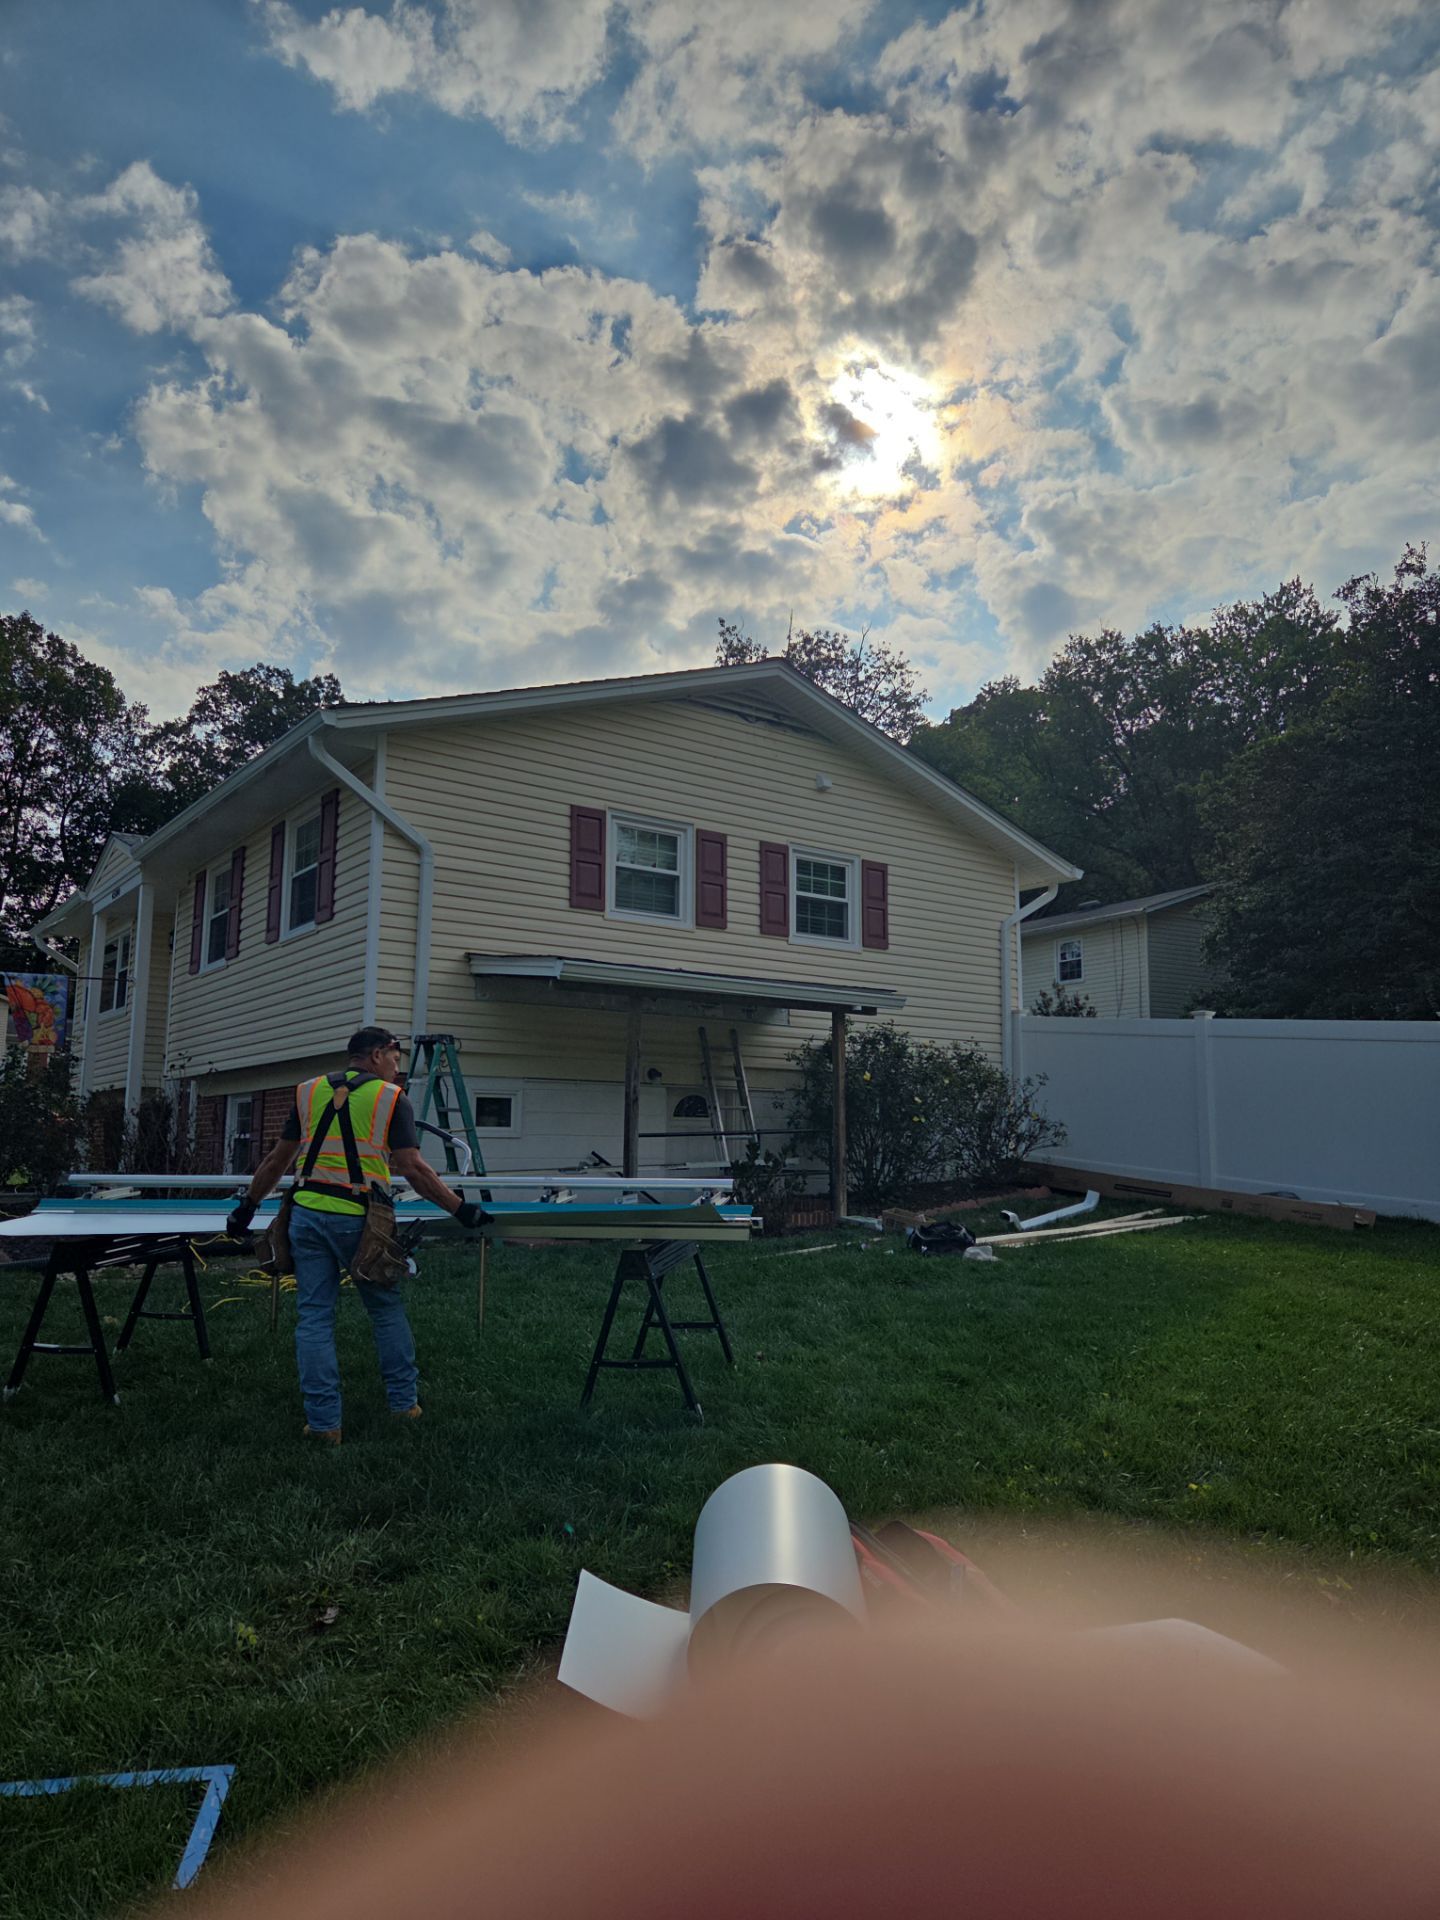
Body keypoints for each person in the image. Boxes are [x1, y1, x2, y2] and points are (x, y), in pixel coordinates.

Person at [226, 1025, 483, 1443]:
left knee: (314, 1316)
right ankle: (404, 1406)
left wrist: (247, 1206)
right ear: (378, 1054)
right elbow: (413, 1168)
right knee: (384, 1309)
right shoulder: (391, 1098)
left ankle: (324, 1425)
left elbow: (277, 1159)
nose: (397, 1069)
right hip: (361, 1221)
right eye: (395, 1059)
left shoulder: (308, 1091)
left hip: (306, 1215)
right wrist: (460, 1208)